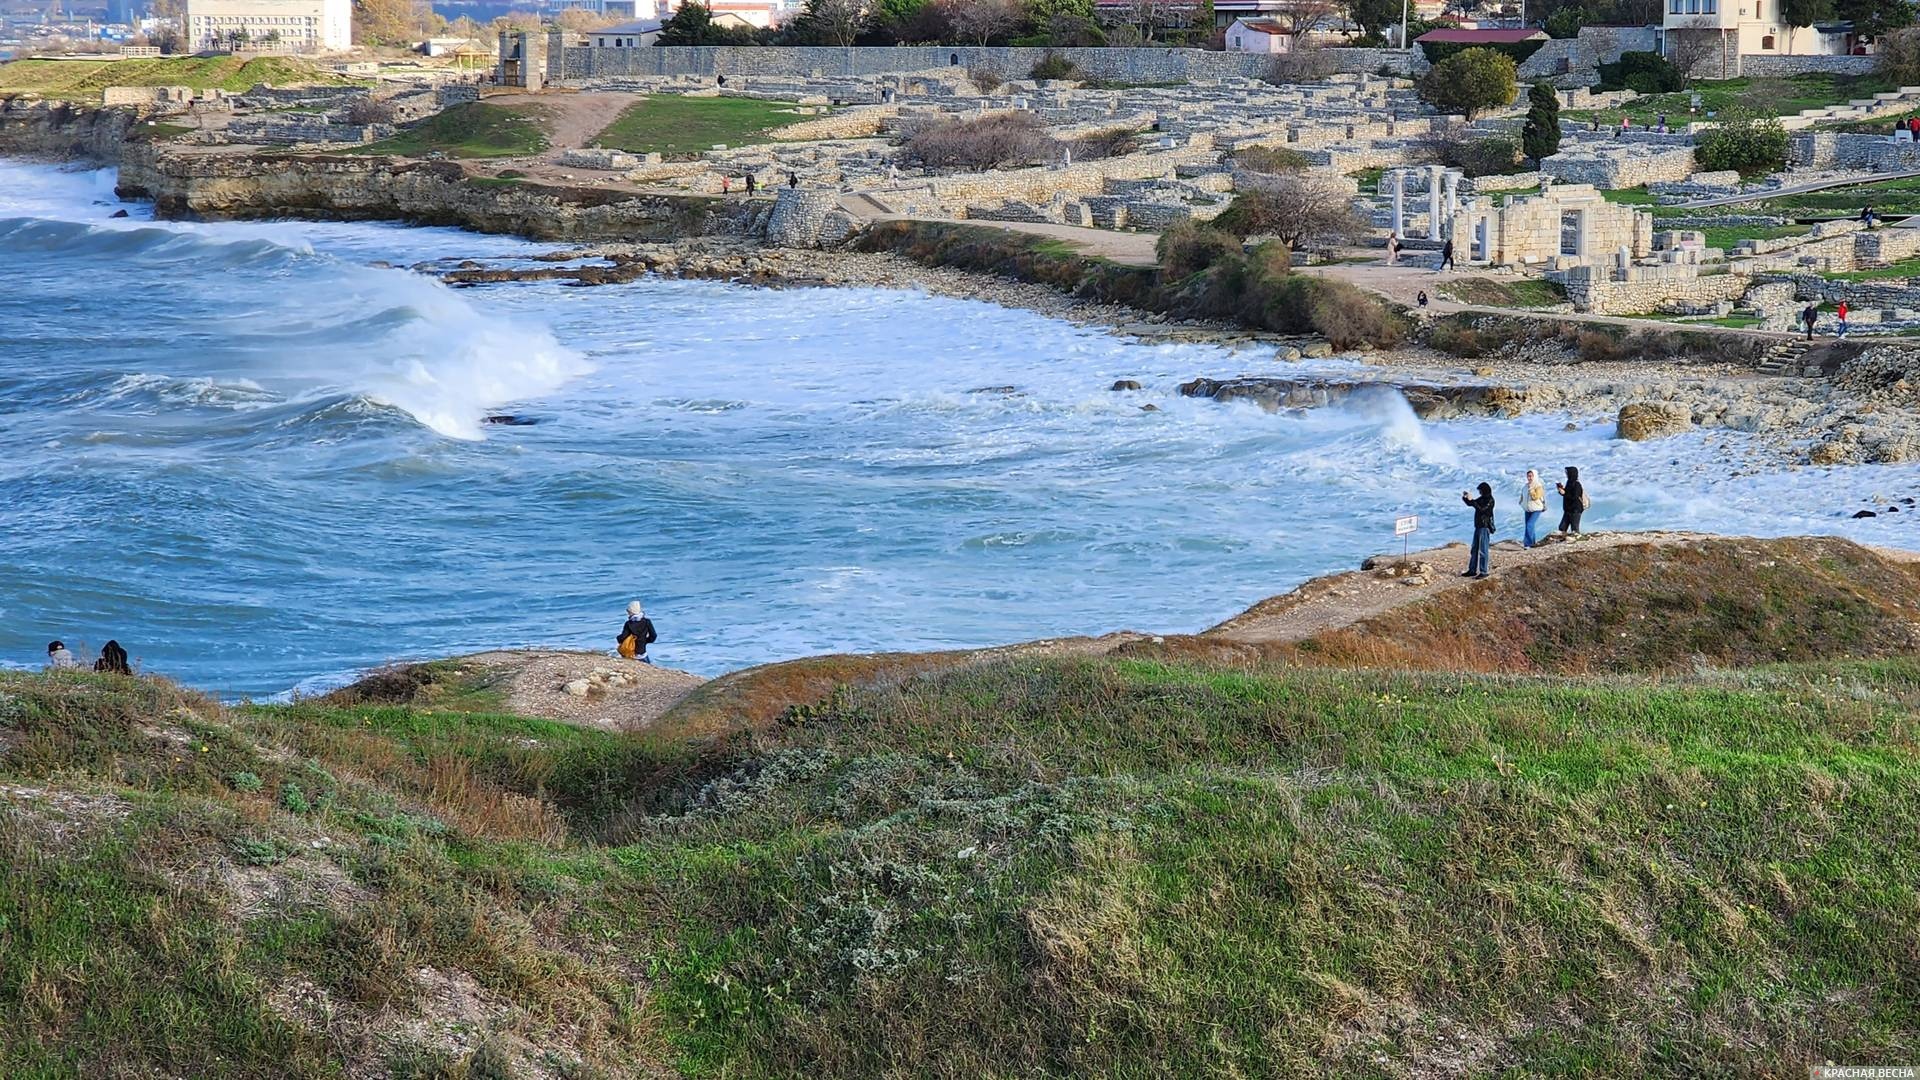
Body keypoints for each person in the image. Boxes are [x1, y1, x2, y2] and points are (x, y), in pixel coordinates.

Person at [1461, 482, 1495, 579]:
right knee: (1474, 549)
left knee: (1483, 550)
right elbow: (1471, 503)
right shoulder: (1482, 498)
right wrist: (1466, 498)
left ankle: (1483, 571)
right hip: (1478, 526)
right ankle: (1472, 570)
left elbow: (1482, 509)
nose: (1479, 492)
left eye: (1480, 490)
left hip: (1485, 527)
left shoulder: (1490, 500)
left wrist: (1473, 502)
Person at [1555, 466, 1586, 535]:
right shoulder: (1569, 482)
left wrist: (1564, 493)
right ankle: (1562, 541)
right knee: (1562, 527)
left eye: (1567, 473)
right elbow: (1567, 493)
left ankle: (1576, 542)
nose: (1566, 475)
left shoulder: (1577, 484)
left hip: (1575, 509)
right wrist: (1561, 490)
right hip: (1568, 509)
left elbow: (1574, 497)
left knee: (1574, 529)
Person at [1522, 469, 1547, 548]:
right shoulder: (1526, 486)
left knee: (1530, 524)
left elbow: (1535, 497)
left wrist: (1531, 489)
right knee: (1529, 526)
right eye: (1528, 476)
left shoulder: (1538, 486)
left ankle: (1528, 544)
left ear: (1535, 476)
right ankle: (1533, 543)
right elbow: (1523, 495)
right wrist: (1521, 502)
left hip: (1536, 509)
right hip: (1527, 509)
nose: (1529, 478)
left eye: (1531, 476)